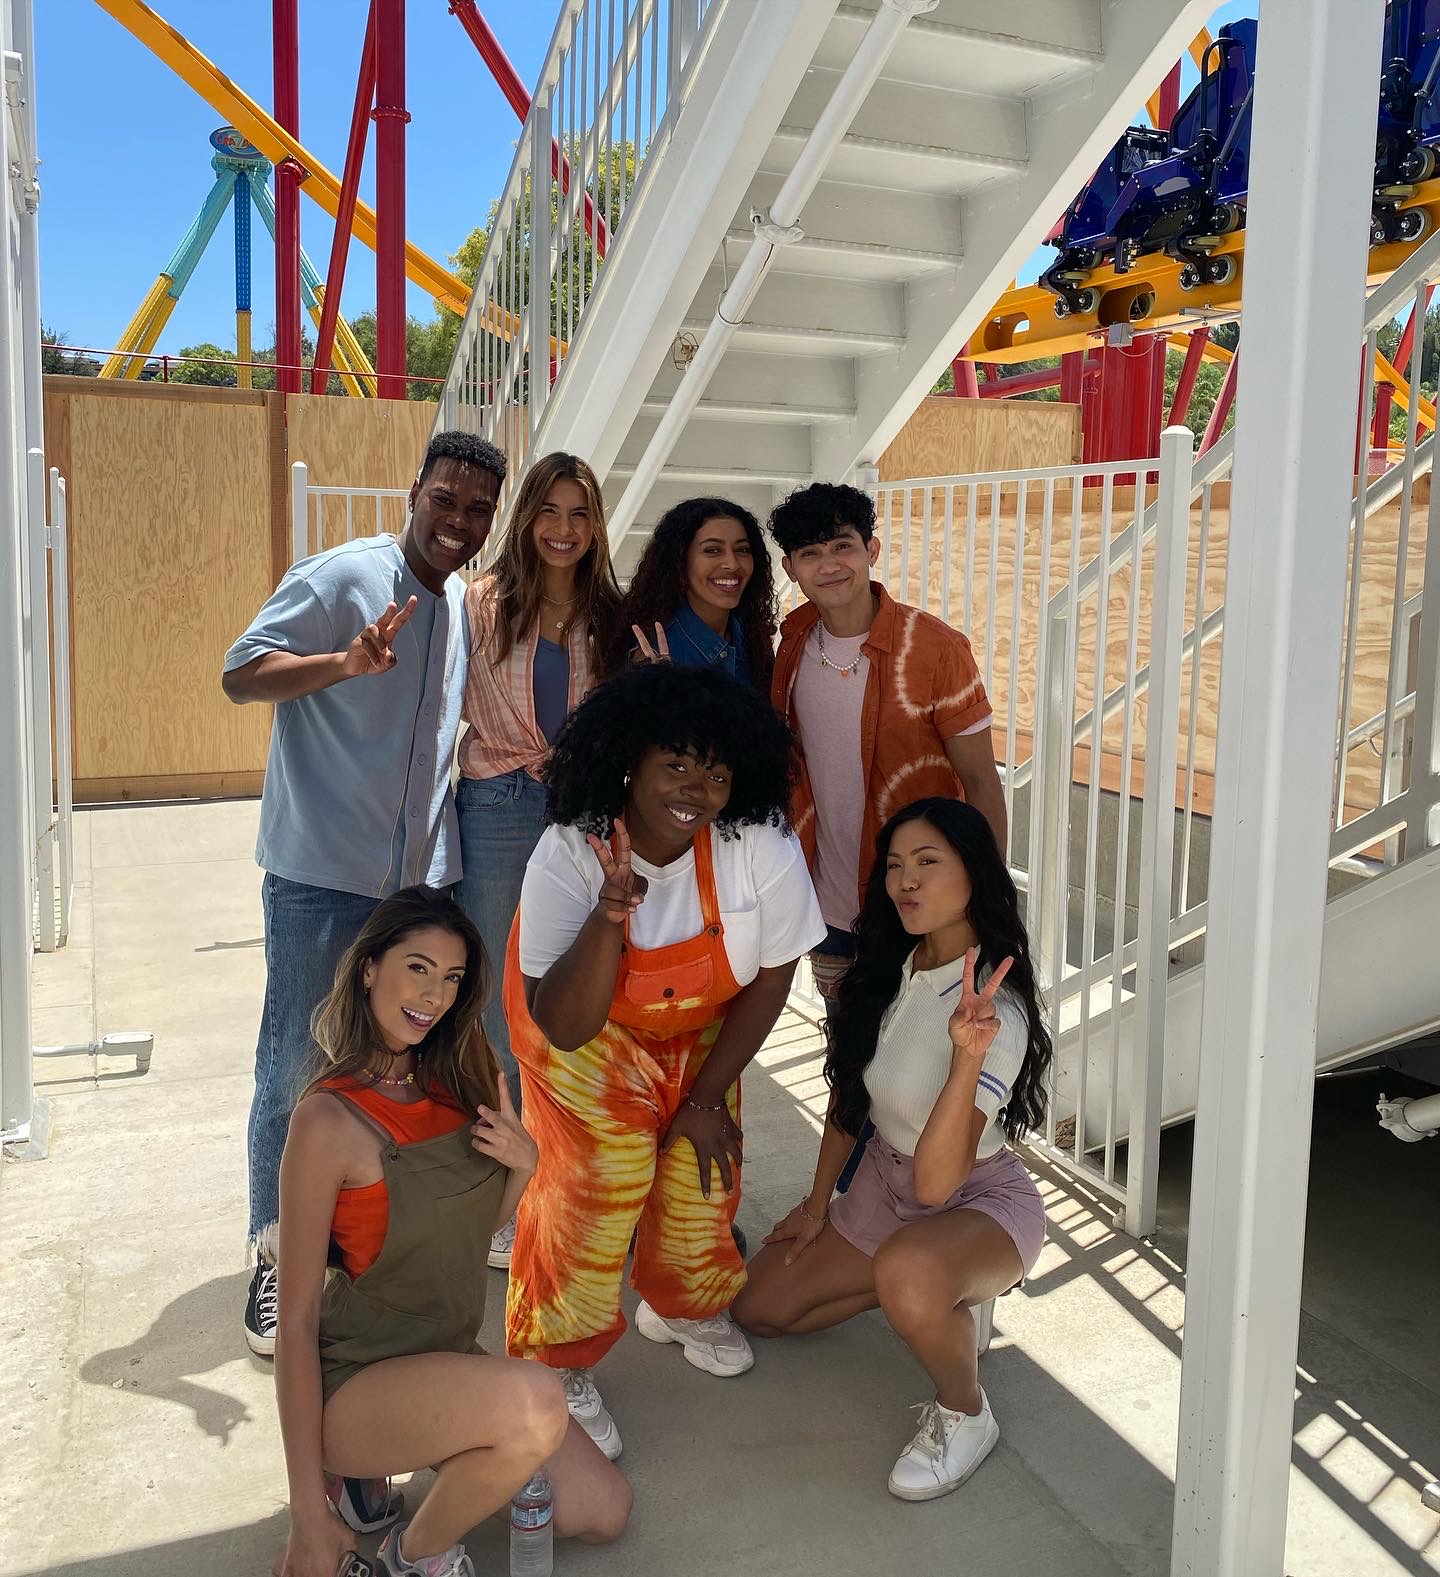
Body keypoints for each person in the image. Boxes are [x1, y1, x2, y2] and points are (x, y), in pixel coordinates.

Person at [223, 430, 507, 1357]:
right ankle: (276, 1256)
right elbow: (240, 673)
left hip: (413, 888)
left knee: (391, 1067)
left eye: (477, 508)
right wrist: (341, 665)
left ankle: (355, 1237)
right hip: (320, 878)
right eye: (445, 499)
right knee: (294, 1065)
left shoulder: (459, 603)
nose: (458, 520)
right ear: (413, 489)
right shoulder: (343, 578)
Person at [504, 664, 825, 1461]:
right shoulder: (569, 851)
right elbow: (562, 1022)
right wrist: (609, 915)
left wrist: (707, 1098)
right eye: (675, 765)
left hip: (701, 1024)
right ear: (630, 763)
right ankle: (556, 1360)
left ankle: (680, 1305)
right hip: (580, 1021)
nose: (696, 790)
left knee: (700, 1167)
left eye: (715, 774)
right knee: (599, 1177)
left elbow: (774, 971)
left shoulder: (758, 841)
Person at [272, 886, 630, 1577]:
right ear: (369, 968)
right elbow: (295, 1320)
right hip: (357, 1383)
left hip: (442, 1360)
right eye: (417, 967)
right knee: (538, 1400)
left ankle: (395, 1479)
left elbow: (456, 1240)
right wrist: (305, 1514)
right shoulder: (326, 1121)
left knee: (603, 1509)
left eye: (452, 977)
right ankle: (415, 1555)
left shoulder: (461, 1082)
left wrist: (524, 1169)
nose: (434, 994)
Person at [733, 799, 1051, 1503]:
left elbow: (938, 1186)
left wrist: (967, 1055)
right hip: (884, 1185)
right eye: (896, 865)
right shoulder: (890, 965)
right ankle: (929, 1294)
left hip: (977, 1199)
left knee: (909, 1271)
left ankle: (965, 1411)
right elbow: (851, 1103)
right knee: (759, 1308)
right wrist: (818, 1206)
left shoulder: (996, 1007)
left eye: (928, 862)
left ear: (974, 871)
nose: (906, 880)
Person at [455, 452, 622, 1273]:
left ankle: (573, 1174)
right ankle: (511, 1190)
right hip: (496, 804)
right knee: (500, 999)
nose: (563, 528)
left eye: (579, 513)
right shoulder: (479, 604)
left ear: (595, 527)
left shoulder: (613, 616)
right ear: (526, 518)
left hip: (582, 813)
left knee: (583, 991)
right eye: (549, 511)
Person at [597, 496, 778, 690]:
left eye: (742, 549)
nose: (732, 564)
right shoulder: (652, 652)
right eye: (713, 550)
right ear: (680, 560)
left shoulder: (754, 640)